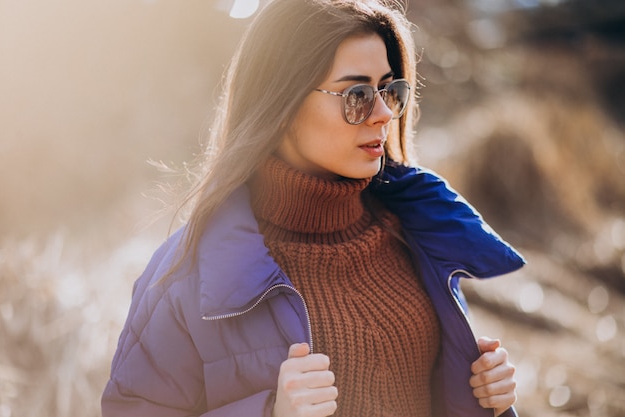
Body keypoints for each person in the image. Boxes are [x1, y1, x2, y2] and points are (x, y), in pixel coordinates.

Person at [102, 1, 525, 416]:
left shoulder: (417, 232)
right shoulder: (187, 276)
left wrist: (488, 401)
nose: (382, 114)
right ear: (282, 104)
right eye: (356, 94)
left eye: (390, 90)